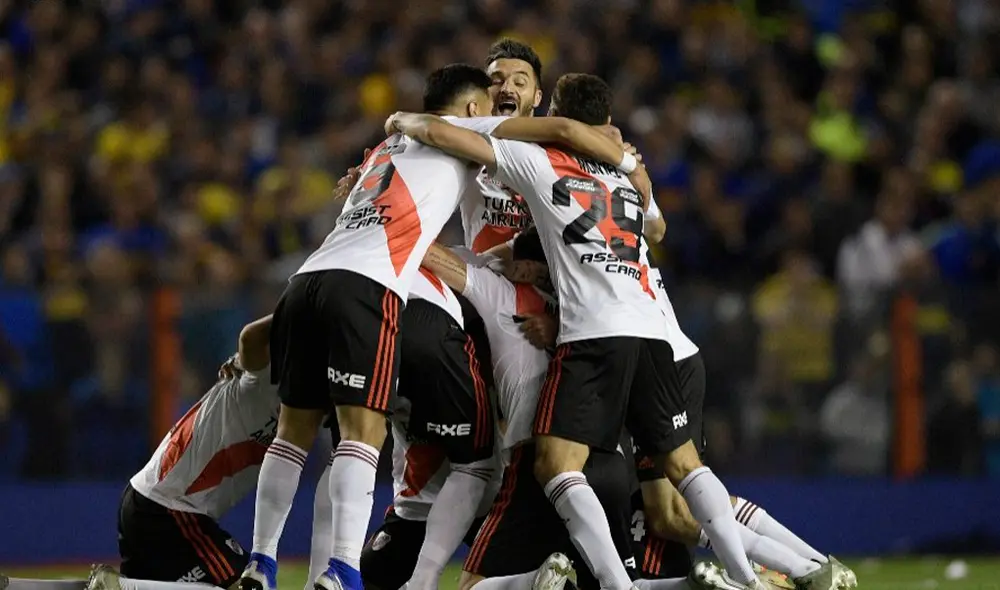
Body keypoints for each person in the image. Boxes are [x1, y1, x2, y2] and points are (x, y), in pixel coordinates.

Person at [241, 63, 647, 590]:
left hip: (305, 281)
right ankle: (343, 569)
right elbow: (562, 131)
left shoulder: (383, 150)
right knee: (366, 437)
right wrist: (623, 157)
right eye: (492, 92)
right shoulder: (460, 129)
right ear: (475, 108)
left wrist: (396, 125)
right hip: (369, 285)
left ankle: (261, 563)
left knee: (292, 437)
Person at [386, 72, 769, 590]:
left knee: (553, 467)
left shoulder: (539, 164)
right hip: (652, 333)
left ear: (551, 114)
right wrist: (630, 163)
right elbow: (657, 227)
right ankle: (747, 576)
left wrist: (404, 125)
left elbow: (448, 139)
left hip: (591, 336)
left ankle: (618, 585)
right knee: (685, 465)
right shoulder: (623, 176)